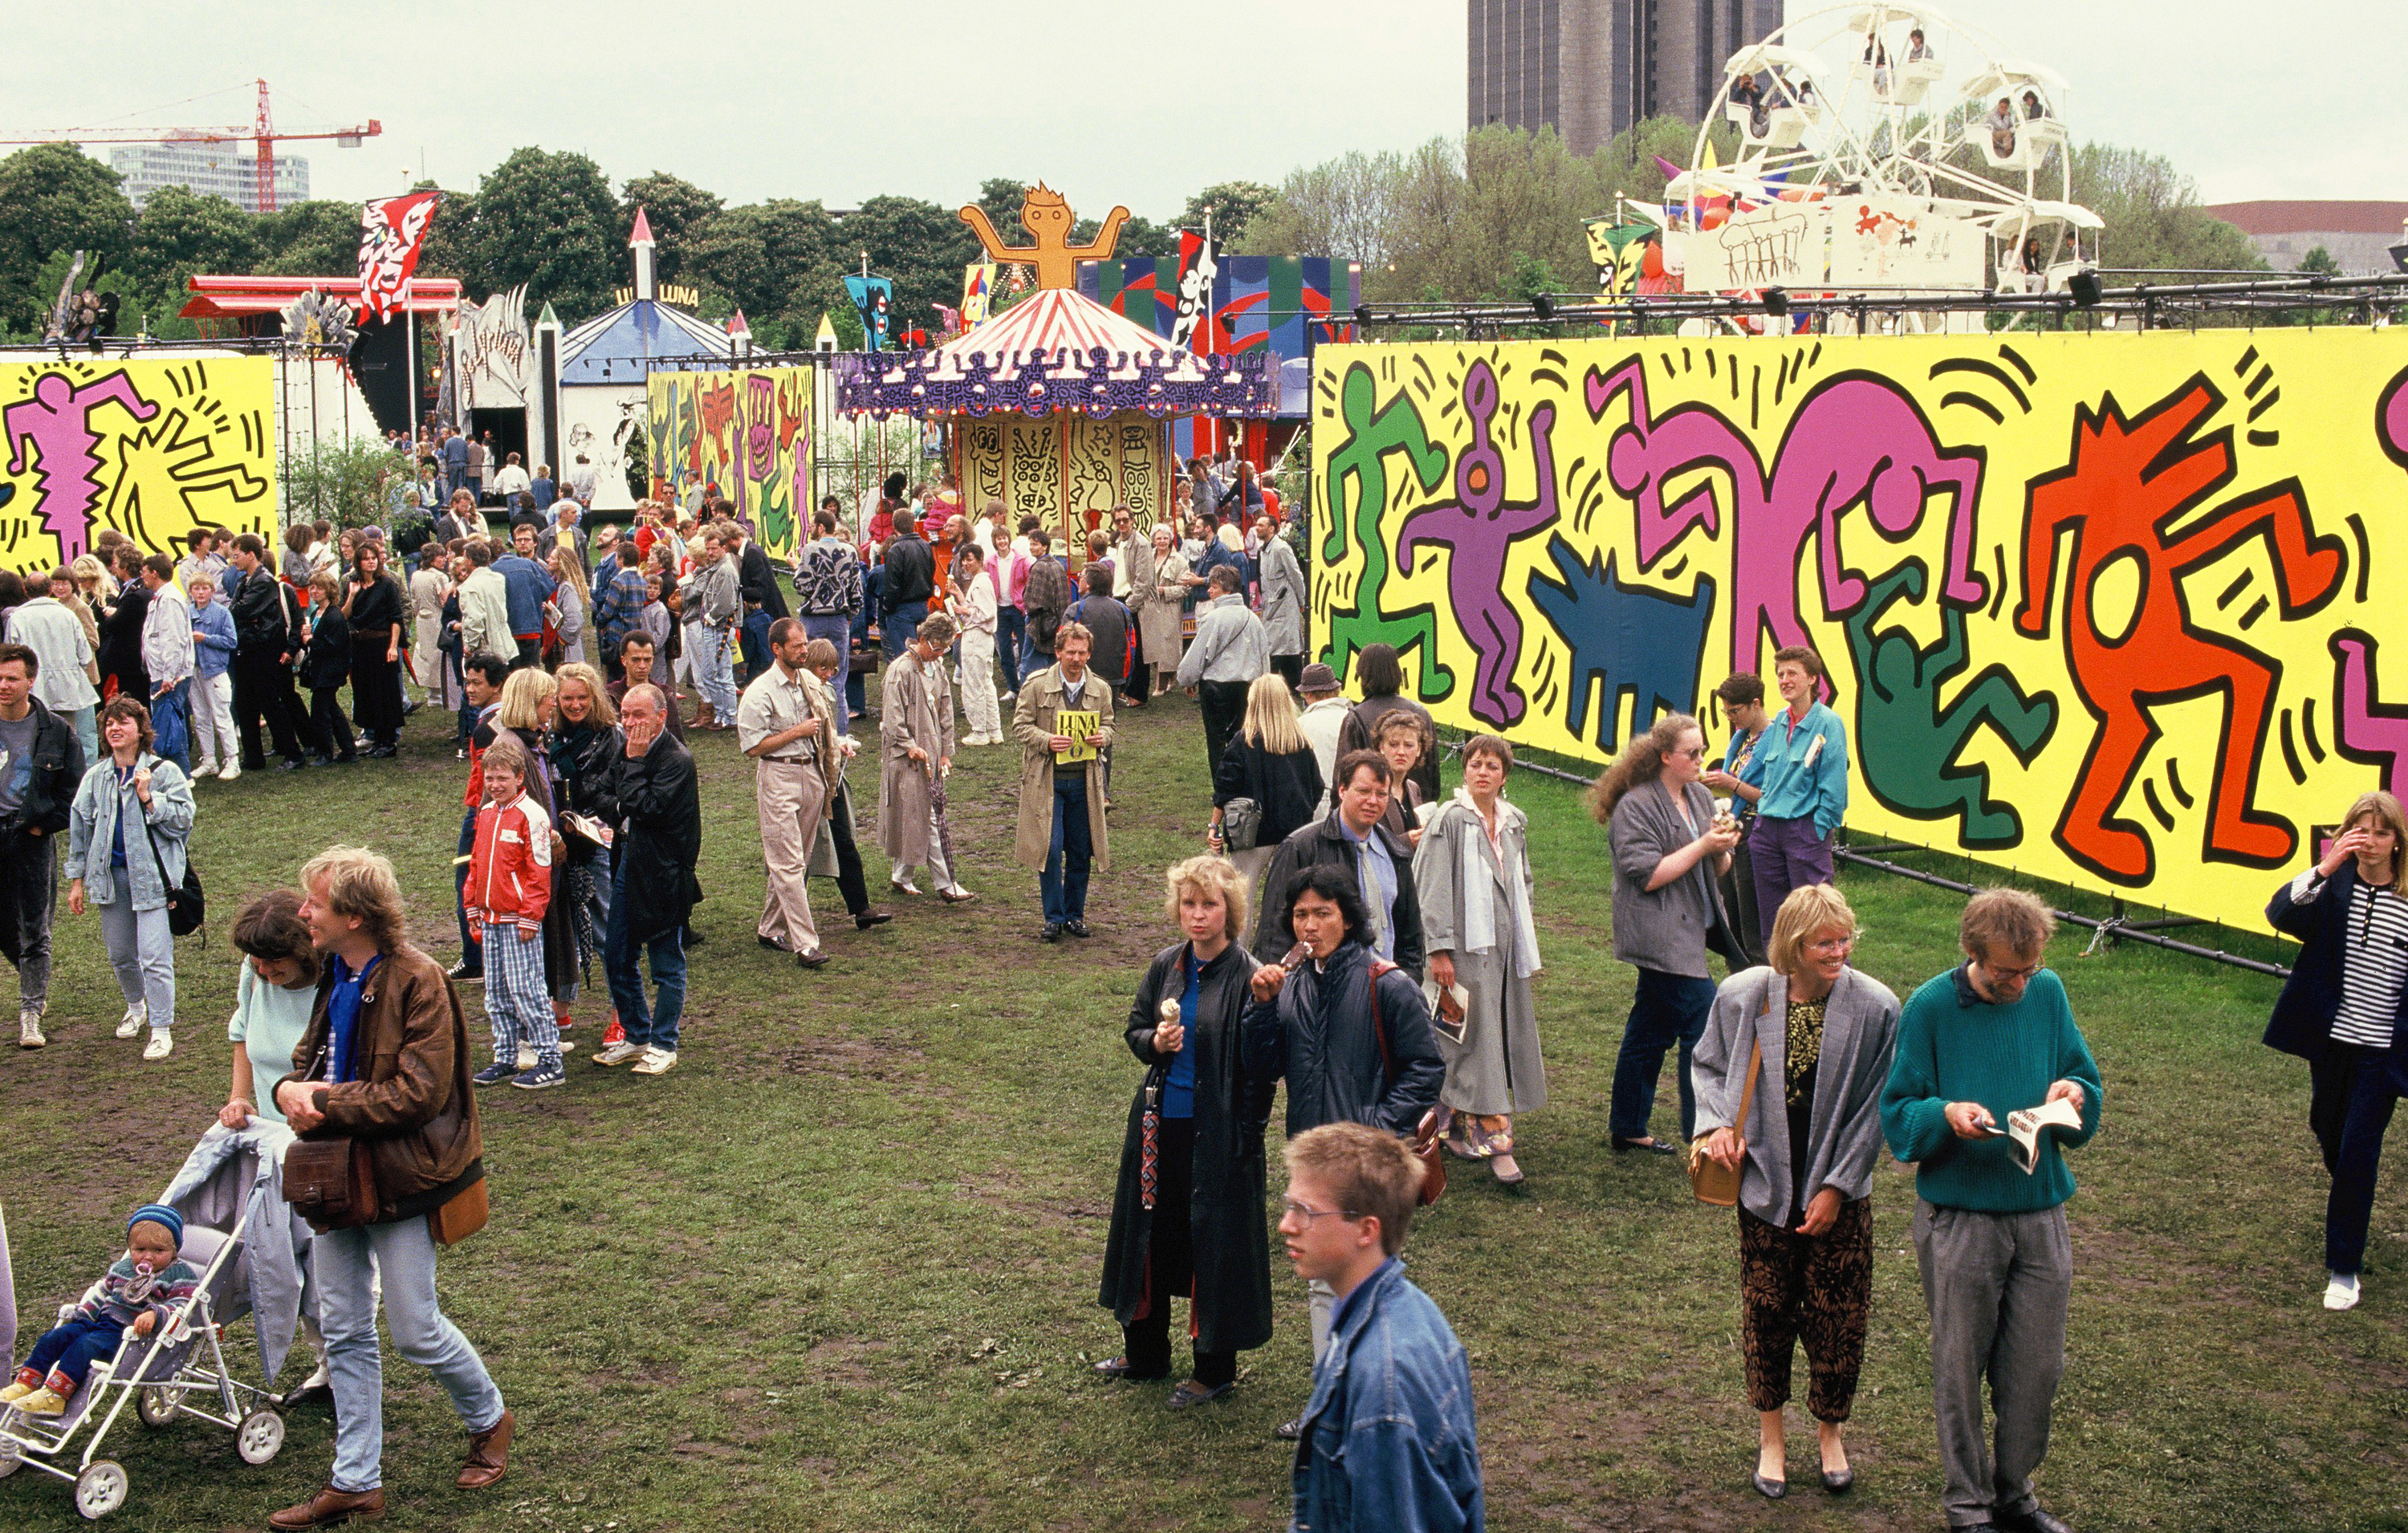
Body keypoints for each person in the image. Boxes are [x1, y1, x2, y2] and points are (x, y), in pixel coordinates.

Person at [270, 845, 510, 1529]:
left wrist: (324, 1101)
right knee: (343, 1329)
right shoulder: (335, 976)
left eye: (313, 902)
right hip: (337, 1181)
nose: (303, 912)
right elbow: (309, 1059)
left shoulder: (419, 980)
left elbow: (419, 1093)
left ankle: (490, 1419)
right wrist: (290, 1087)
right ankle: (356, 1480)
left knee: (414, 1329)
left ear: (352, 913)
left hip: (403, 1180)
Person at [1880, 888, 2101, 1533]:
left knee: (2037, 1368)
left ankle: (2015, 1495)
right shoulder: (1929, 1008)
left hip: (2040, 1213)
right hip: (1961, 1219)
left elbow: (2086, 1083)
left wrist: (2074, 1094)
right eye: (2008, 972)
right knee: (1960, 1365)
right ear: (1974, 954)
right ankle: (1968, 1506)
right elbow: (1898, 1116)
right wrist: (1944, 1114)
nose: (2020, 983)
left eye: (2029, 969)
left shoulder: (2048, 993)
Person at [1692, 884, 1900, 1499]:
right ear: (1793, 944)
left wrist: (1838, 1186)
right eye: (1824, 943)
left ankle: (1831, 1432)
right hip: (1763, 1191)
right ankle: (1771, 1438)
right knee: (1767, 1315)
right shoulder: (1743, 995)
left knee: (1840, 1320)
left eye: (1845, 940)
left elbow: (1874, 1109)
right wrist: (1714, 1127)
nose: (1838, 952)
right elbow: (1706, 1066)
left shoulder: (1878, 1008)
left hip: (1840, 1196)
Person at [1243, 864, 1446, 1436]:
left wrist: (1372, 1131)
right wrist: (1259, 1009)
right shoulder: (1294, 984)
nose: (1310, 925)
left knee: (1363, 1279)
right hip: (1313, 1162)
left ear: (1349, 918)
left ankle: (1360, 1400)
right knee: (1322, 1283)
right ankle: (1337, 1401)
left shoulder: (1387, 983)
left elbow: (1427, 1067)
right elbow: (1262, 1066)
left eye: (1323, 913)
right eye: (1301, 914)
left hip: (1368, 1165)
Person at [1096, 856, 1275, 1405]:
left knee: (1211, 1247)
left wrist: (1246, 1136)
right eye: (1189, 904)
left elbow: (1264, 1067)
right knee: (1149, 1238)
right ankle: (1146, 1352)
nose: (1198, 916)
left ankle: (1213, 1369)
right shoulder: (1166, 966)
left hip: (1217, 1133)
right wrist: (1154, 1042)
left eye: (1210, 905)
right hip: (1158, 1127)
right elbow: (1134, 1028)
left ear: (1231, 911)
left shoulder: (1249, 976)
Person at [1277, 1120, 1483, 1531]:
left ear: (1367, 1230)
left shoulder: (1383, 1387)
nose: (1286, 1224)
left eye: (1307, 1211)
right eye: (1289, 1205)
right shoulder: (1403, 1308)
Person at [2261, 791, 2408, 1310]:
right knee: (2329, 1133)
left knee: (2358, 1155)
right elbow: (2279, 913)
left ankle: (2343, 1268)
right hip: (2331, 1044)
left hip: (2381, 1055)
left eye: (2380, 832)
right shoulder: (2333, 887)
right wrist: (2324, 867)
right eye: (2358, 831)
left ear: (2397, 842)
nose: (2369, 842)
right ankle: (2352, 1207)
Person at [1597, 713, 1740, 1154]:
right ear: (1665, 757)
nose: (1701, 760)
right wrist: (1704, 845)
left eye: (1702, 750)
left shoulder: (1697, 796)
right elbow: (1648, 875)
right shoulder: (1636, 806)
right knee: (1704, 1022)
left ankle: (1628, 1125)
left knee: (1650, 1029)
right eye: (1691, 753)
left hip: (1690, 928)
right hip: (1659, 934)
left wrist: (1723, 845)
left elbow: (1717, 868)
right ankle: (1703, 1133)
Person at [1415, 734, 1544, 1185]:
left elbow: (1521, 880)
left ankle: (1446, 1125)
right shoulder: (1449, 821)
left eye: (1492, 765)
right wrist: (1439, 949)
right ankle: (1496, 1142)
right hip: (1464, 950)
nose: (1483, 772)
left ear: (1504, 775)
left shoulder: (1513, 822)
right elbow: (1431, 888)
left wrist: (1520, 935)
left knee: (1476, 1038)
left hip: (1503, 952)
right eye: (1475, 764)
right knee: (1468, 1038)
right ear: (1464, 771)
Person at [65, 695, 194, 1060]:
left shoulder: (164, 772)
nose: (114, 729)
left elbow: (183, 822)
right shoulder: (97, 776)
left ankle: (161, 1028)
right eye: (109, 723)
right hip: (111, 880)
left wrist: (149, 799)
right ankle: (136, 1008)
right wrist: (77, 880)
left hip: (153, 881)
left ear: (141, 731)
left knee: (154, 956)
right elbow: (80, 829)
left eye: (123, 722)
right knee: (121, 954)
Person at [592, 684, 702, 1077]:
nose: (630, 723)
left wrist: (633, 771)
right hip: (628, 864)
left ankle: (664, 1042)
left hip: (664, 873)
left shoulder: (675, 760)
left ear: (660, 716)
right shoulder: (627, 752)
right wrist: (625, 805)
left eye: (638, 715)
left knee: (665, 961)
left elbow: (648, 809)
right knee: (618, 953)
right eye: (625, 714)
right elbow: (600, 794)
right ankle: (637, 1032)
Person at [2, 1206, 199, 1418]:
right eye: (140, 1250)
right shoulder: (123, 1268)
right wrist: (83, 1315)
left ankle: (55, 1397)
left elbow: (182, 1304)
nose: (148, 1257)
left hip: (129, 1337)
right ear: (130, 1248)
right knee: (55, 1337)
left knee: (85, 1346)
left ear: (174, 1250)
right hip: (101, 1322)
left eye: (159, 1251)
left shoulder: (179, 1274)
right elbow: (103, 1293)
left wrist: (155, 1314)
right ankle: (27, 1382)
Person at [1256, 750, 1426, 978]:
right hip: (1323, 989)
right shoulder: (1301, 847)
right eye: (1364, 791)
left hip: (1385, 991)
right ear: (1343, 790)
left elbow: (1410, 934)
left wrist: (1409, 981)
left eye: (1381, 794)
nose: (1372, 801)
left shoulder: (1395, 850)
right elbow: (1273, 936)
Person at [462, 734, 562, 1090]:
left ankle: (550, 1059)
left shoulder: (531, 815)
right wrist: (472, 903)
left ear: (520, 777)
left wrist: (531, 914)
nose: (495, 785)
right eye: (489, 778)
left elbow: (539, 869)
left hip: (519, 920)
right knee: (497, 992)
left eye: (502, 778)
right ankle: (504, 1057)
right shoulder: (486, 813)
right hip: (490, 919)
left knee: (527, 989)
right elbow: (476, 864)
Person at [741, 617, 836, 968]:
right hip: (778, 775)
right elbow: (753, 747)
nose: (804, 649)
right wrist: (796, 732)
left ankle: (769, 927)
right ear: (777, 649)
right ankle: (806, 944)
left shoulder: (808, 680)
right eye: (796, 645)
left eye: (804, 642)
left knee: (797, 859)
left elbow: (824, 725)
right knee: (788, 863)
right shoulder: (760, 692)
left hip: (811, 773)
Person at [0, 642, 82, 1049]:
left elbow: (76, 794)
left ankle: (30, 1013)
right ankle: (35, 982)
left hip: (29, 839)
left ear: (30, 681)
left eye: (11, 678)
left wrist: (41, 828)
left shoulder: (56, 731)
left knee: (35, 928)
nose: (3, 685)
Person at [1013, 620, 1112, 941]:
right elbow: (1020, 726)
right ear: (1058, 652)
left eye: (1083, 653)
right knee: (1051, 850)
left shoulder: (1101, 688)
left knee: (1081, 851)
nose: (1077, 659)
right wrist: (1046, 741)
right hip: (1047, 782)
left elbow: (1110, 726)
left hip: (1085, 783)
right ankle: (1052, 917)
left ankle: (1075, 915)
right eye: (1071, 652)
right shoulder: (1036, 684)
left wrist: (1103, 738)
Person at [1741, 646, 1849, 941]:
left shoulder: (1828, 723)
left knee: (1817, 919)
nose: (1784, 680)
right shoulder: (1779, 722)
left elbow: (1835, 788)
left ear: (1812, 679)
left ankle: (1832, 982)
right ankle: (1780, 981)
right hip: (1766, 832)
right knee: (1774, 924)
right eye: (1780, 674)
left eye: (1792, 673)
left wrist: (1818, 829)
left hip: (1805, 832)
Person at [798, 638, 892, 933]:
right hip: (805, 779)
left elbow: (828, 733)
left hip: (830, 778)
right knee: (799, 850)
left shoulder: (827, 691)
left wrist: (839, 744)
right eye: (822, 668)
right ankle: (786, 914)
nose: (827, 674)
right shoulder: (798, 694)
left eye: (832, 669)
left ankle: (861, 908)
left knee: (844, 841)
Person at [880, 612, 973, 904]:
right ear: (922, 639)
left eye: (946, 648)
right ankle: (946, 883)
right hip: (907, 759)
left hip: (931, 757)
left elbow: (946, 713)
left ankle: (901, 875)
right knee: (929, 818)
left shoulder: (939, 669)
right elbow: (893, 719)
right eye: (936, 647)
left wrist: (946, 751)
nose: (940, 653)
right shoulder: (900, 671)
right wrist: (909, 746)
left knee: (919, 815)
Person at [1210, 671, 1324, 884]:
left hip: (1251, 836)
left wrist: (1213, 826)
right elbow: (1317, 787)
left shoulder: (1243, 742)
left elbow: (1225, 790)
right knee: (1288, 903)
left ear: (1252, 702)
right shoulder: (1301, 744)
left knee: (1241, 902)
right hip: (1293, 836)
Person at [221, 891, 323, 1129]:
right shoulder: (252, 973)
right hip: (271, 1134)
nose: (264, 970)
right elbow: (242, 1032)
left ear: (303, 951)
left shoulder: (339, 983)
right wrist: (238, 1098)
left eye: (275, 960)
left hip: (320, 1139)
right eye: (257, 959)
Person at [1702, 673, 1771, 966]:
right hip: (1733, 827)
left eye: (1735, 711)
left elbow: (1770, 798)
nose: (1731, 718)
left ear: (1755, 704)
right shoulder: (1742, 740)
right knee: (1730, 914)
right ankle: (1738, 984)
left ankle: (1758, 983)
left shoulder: (1775, 742)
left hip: (1757, 833)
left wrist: (1731, 784)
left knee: (1751, 920)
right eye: (1726, 712)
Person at [227, 536, 313, 771]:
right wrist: (241, 615)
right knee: (245, 705)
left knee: (271, 704)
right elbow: (236, 611)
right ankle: (253, 756)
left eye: (236, 555)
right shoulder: (244, 582)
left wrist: (243, 615)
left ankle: (293, 753)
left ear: (251, 555)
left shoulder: (263, 582)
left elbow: (241, 609)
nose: (233, 561)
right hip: (247, 649)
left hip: (262, 651)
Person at [1178, 564, 1270, 779]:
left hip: (1216, 688)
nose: (1209, 591)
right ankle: (1245, 782)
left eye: (1214, 586)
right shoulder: (1253, 618)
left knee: (1217, 741)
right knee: (1245, 738)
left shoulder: (1213, 618)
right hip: (1247, 688)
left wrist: (1187, 678)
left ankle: (1223, 789)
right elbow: (1263, 655)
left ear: (1227, 589)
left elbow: (1198, 654)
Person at [9, 569, 101, 769]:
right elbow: (85, 655)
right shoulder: (68, 615)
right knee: (68, 741)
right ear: (50, 589)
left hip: (33, 690)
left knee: (36, 743)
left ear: (25, 590)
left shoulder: (18, 617)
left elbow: (11, 660)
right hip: (68, 690)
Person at [1339, 643, 1442, 806]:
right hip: (1417, 811)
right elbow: (1433, 777)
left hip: (1372, 812)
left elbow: (1343, 778)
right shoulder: (1421, 714)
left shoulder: (1357, 717)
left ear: (1363, 675)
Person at [344, 542, 406, 757]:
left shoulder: (386, 585)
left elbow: (396, 618)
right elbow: (345, 616)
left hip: (382, 643)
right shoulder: (353, 584)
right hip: (361, 645)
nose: (371, 561)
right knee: (366, 693)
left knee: (384, 693)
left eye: (374, 557)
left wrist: (393, 647)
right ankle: (376, 740)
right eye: (366, 558)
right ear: (358, 562)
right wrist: (352, 595)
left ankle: (388, 742)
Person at [136, 554, 195, 771]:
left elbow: (172, 640)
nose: (142, 577)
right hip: (163, 673)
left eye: (144, 572)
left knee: (170, 723)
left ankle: (180, 772)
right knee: (171, 721)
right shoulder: (161, 598)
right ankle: (178, 771)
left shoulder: (168, 599)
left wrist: (169, 676)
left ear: (154, 573)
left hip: (169, 676)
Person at [681, 528, 742, 730]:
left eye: (713, 548)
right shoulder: (720, 567)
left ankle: (728, 716)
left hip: (718, 628)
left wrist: (709, 617)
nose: (710, 553)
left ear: (723, 548)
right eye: (707, 549)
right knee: (714, 674)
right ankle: (724, 714)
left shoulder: (724, 570)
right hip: (716, 627)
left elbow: (724, 605)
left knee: (717, 674)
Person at [796, 506, 864, 681]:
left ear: (821, 527)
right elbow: (856, 591)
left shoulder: (810, 550)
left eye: (811, 525)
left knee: (811, 675)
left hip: (813, 619)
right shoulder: (850, 551)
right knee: (837, 676)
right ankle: (838, 709)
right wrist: (850, 615)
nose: (809, 529)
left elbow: (802, 586)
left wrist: (796, 566)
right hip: (839, 620)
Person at [301, 571, 357, 766]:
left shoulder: (334, 616)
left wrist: (311, 641)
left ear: (329, 591)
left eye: (319, 588)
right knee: (332, 710)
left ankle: (326, 752)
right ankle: (349, 750)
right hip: (322, 669)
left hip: (330, 670)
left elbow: (332, 646)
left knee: (320, 712)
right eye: (312, 587)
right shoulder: (317, 613)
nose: (314, 591)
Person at [187, 572, 239, 779]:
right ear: (191, 591)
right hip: (194, 671)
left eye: (205, 588)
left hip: (215, 671)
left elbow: (231, 641)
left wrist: (206, 638)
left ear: (212, 590)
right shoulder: (186, 612)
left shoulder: (222, 613)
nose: (200, 593)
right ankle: (209, 759)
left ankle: (232, 760)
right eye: (196, 588)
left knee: (222, 716)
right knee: (200, 718)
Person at [950, 544, 1004, 745]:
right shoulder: (979, 581)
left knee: (974, 684)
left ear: (980, 559)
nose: (965, 563)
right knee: (985, 683)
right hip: (980, 636)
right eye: (964, 559)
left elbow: (986, 612)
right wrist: (958, 594)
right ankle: (994, 730)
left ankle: (980, 731)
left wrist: (964, 611)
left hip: (977, 636)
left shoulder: (981, 583)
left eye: (970, 559)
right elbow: (977, 607)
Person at [1373, 710, 1439, 847]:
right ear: (1381, 747)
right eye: (1394, 744)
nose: (1401, 752)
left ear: (1419, 749)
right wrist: (1406, 841)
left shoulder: (1413, 788)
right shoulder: (1372, 789)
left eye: (1409, 745)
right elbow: (1362, 842)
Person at [1256, 514, 1307, 690]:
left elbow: (1295, 575)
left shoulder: (1281, 549)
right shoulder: (1264, 550)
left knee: (1278, 650)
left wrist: (1302, 602)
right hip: (1272, 609)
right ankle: (1297, 687)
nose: (1257, 527)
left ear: (1272, 528)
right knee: (1285, 652)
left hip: (1284, 608)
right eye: (1257, 524)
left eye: (1262, 524)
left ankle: (1269, 689)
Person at [1019, 517, 1072, 677]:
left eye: (1035, 544)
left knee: (1029, 666)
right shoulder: (1056, 565)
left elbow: (1033, 601)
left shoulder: (1039, 568)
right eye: (1031, 544)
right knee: (1052, 665)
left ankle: (1028, 697)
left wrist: (1029, 613)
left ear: (1045, 547)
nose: (1031, 548)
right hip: (1055, 623)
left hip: (1040, 624)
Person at [880, 510, 936, 662]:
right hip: (922, 605)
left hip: (901, 608)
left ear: (894, 525)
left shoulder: (896, 550)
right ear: (913, 525)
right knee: (923, 654)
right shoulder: (925, 546)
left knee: (906, 657)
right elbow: (932, 572)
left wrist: (887, 608)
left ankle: (910, 686)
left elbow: (892, 585)